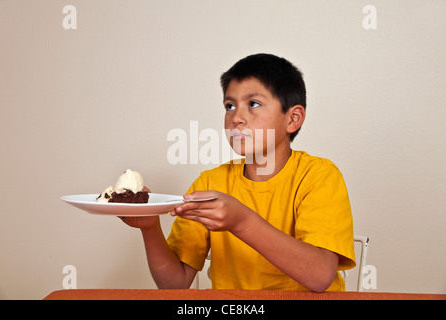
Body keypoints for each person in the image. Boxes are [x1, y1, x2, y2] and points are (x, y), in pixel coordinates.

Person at [122, 53, 355, 292]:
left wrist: (241, 221)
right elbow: (174, 283)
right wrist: (149, 228)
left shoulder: (319, 176)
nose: (236, 118)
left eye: (253, 104)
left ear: (293, 119)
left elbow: (320, 275)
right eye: (229, 106)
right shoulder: (210, 182)